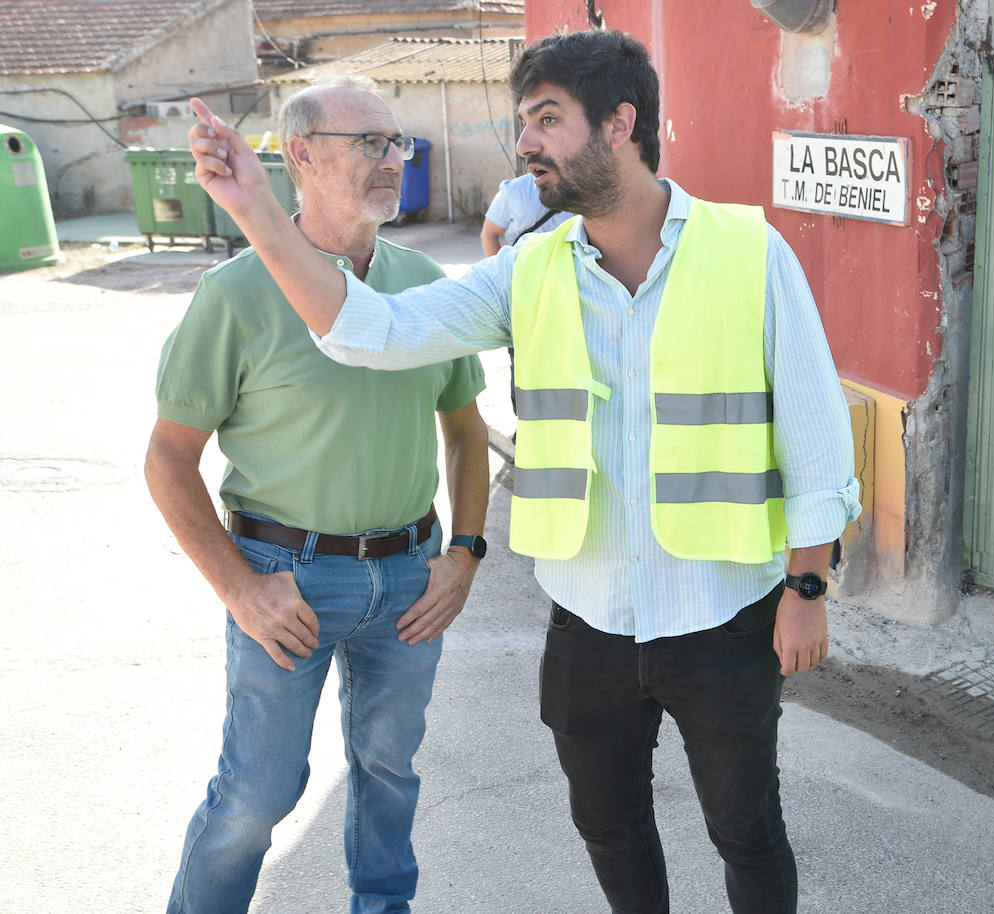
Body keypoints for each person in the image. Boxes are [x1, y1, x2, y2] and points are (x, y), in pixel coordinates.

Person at [185, 28, 860, 914]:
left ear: (620, 124)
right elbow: (370, 331)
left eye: (546, 119)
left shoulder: (749, 250)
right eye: (523, 121)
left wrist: (807, 588)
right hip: (589, 617)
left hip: (723, 611)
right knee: (610, 827)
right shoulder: (527, 271)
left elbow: (816, 435)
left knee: (747, 830)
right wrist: (255, 210)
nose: (526, 143)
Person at [147, 75, 490, 914]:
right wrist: (241, 588)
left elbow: (467, 431)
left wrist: (463, 555)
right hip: (283, 578)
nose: (391, 160)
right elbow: (166, 459)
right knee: (257, 795)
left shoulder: (423, 284)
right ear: (299, 156)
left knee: (388, 774)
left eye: (395, 142)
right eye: (368, 142)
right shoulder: (233, 296)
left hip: (410, 576)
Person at [479, 173, 572, 417]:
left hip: (571, 293)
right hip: (525, 294)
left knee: (568, 362)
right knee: (524, 363)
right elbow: (489, 234)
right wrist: (504, 281)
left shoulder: (585, 183)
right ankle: (525, 426)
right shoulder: (515, 191)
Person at [479, 172, 573, 257]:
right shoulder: (515, 189)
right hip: (524, 269)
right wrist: (501, 273)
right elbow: (489, 234)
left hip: (570, 269)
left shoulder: (581, 187)